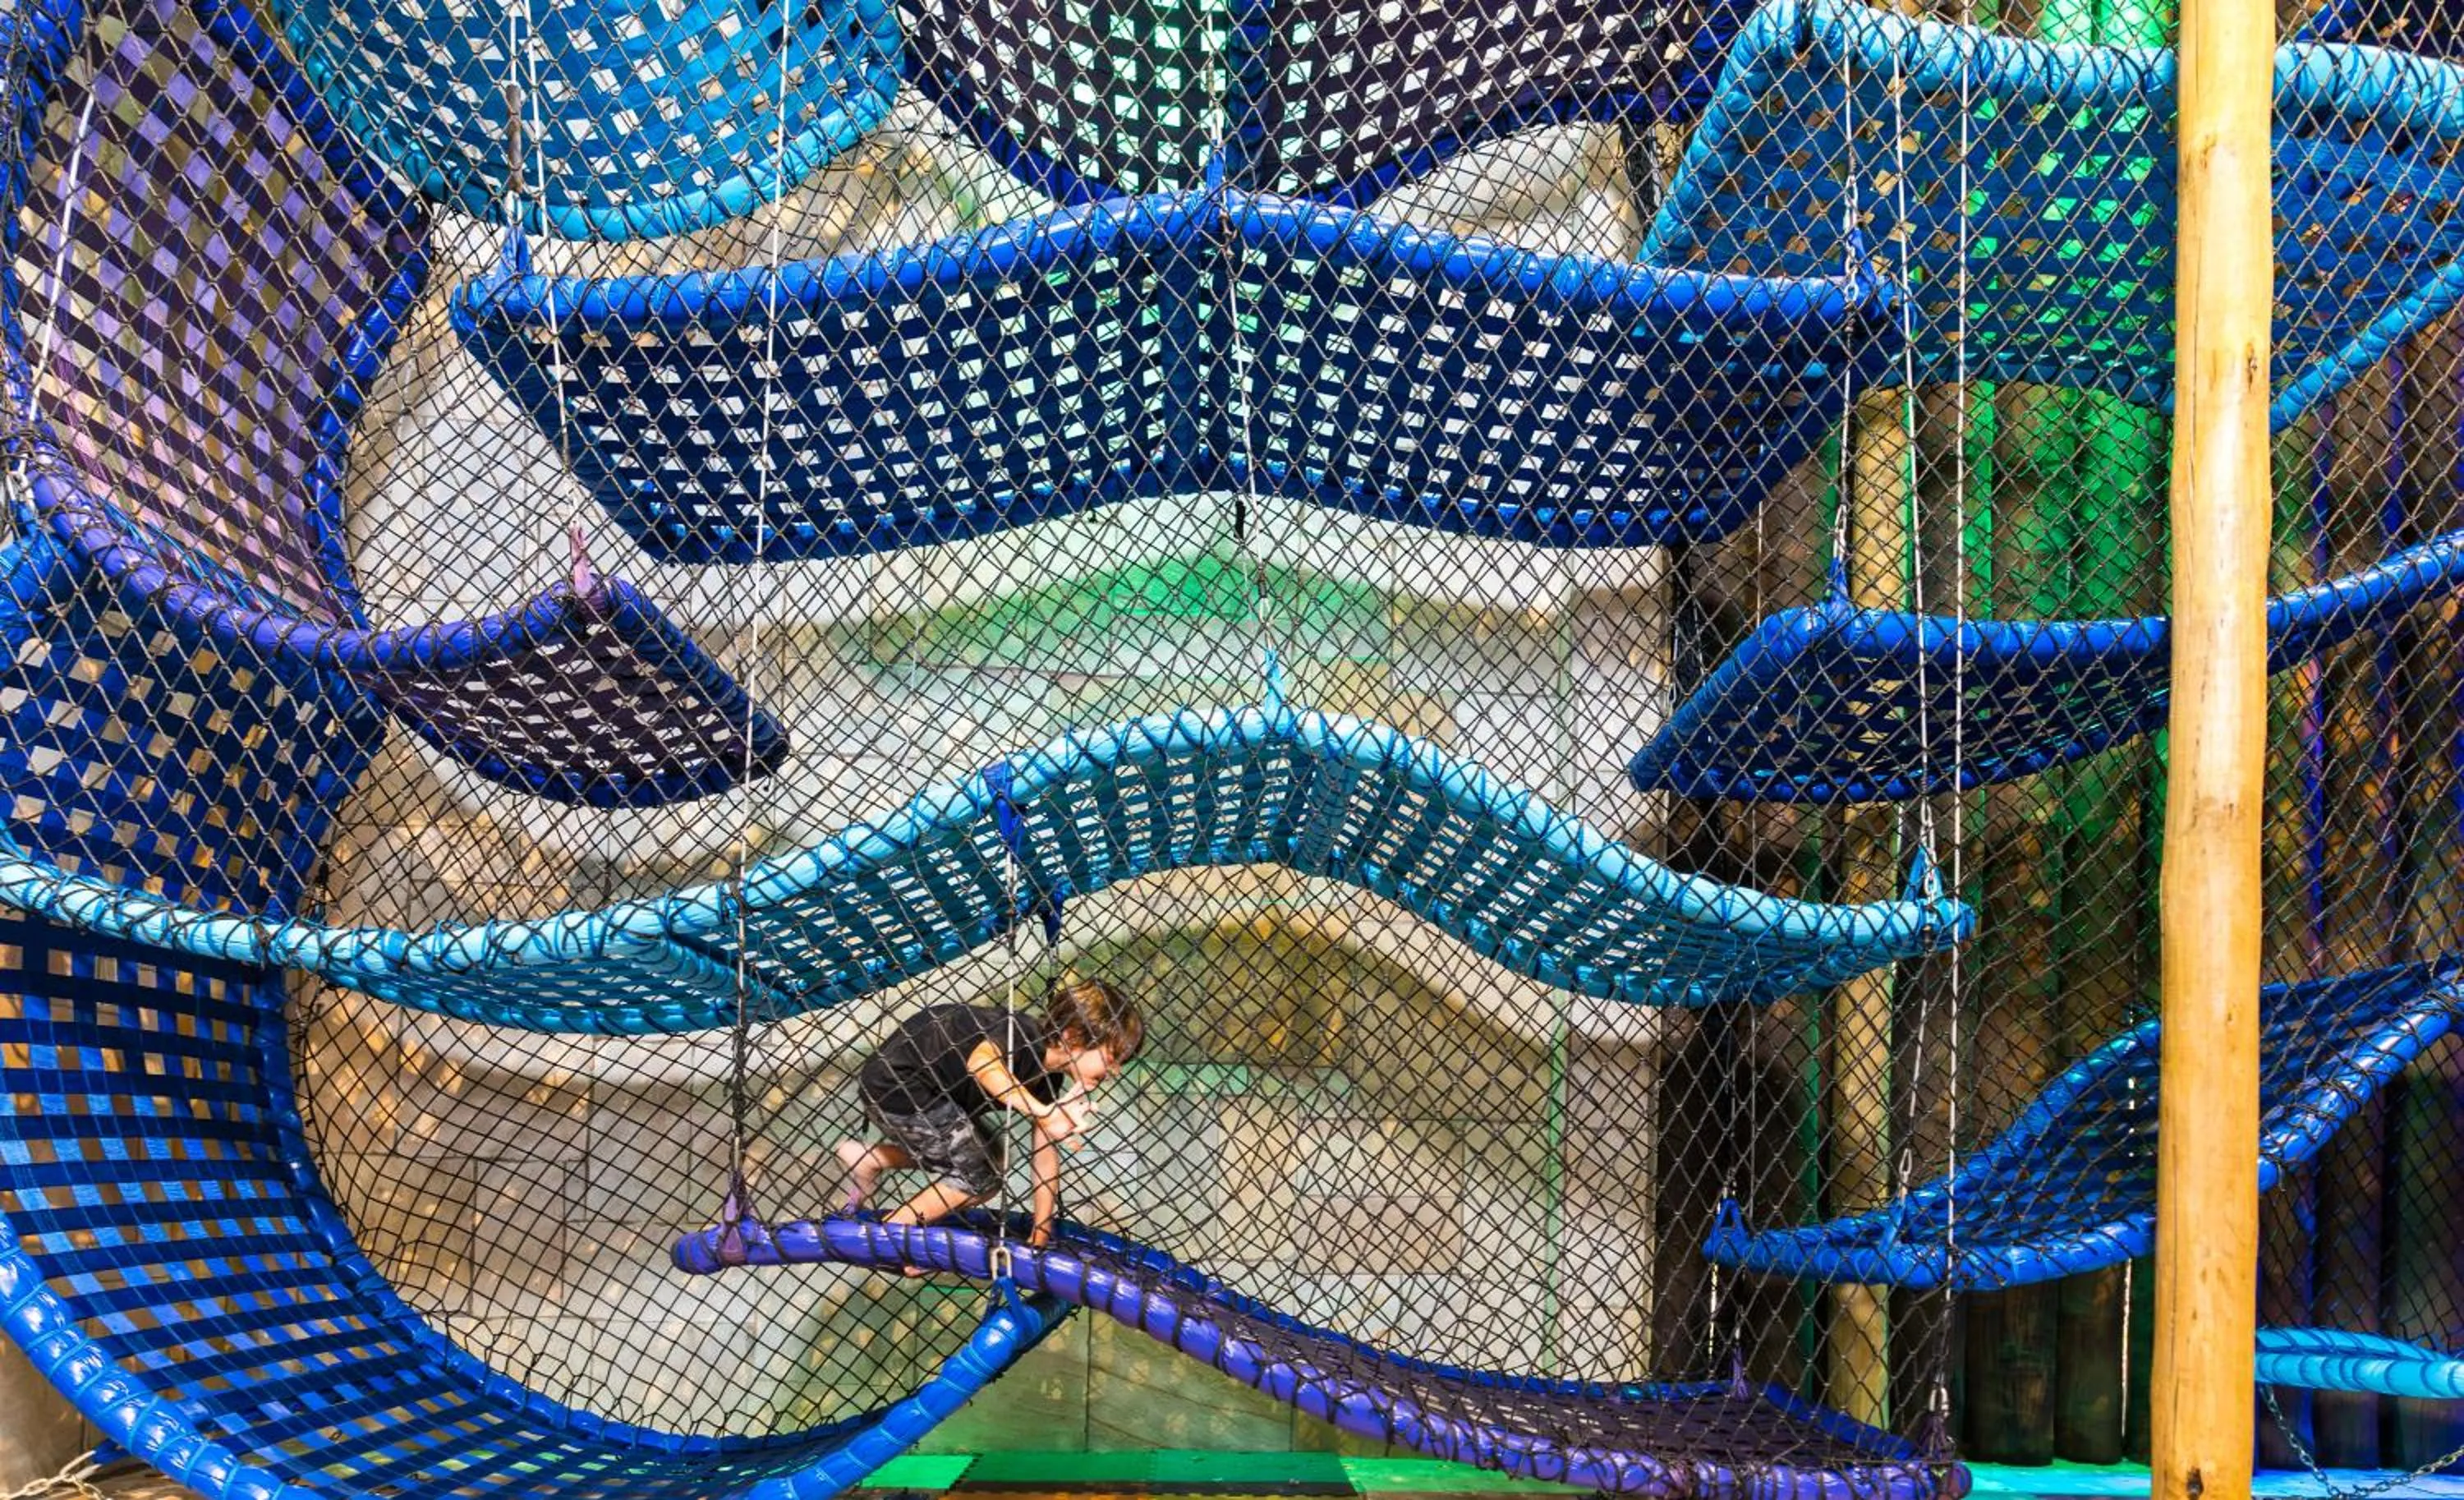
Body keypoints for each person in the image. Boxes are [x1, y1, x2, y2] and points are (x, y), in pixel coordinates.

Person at [837, 973, 1142, 1251]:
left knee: (993, 1158)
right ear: (1073, 1036)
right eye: (1112, 1058)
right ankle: (891, 1236)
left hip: (925, 1094)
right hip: (901, 1084)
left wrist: (1040, 1234)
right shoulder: (1022, 1034)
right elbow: (982, 1063)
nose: (1115, 1071)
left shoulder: (1049, 1079)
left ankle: (871, 1158)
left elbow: (1044, 1156)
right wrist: (1042, 1111)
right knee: (979, 1177)